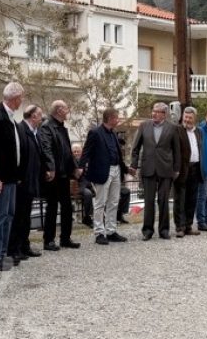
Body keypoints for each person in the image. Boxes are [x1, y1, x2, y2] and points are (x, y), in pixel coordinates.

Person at [0, 82, 27, 270]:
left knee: (9, 215)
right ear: (15, 98)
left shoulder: (10, 118)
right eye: (21, 98)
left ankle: (1, 253)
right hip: (2, 178)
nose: (22, 101)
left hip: (12, 177)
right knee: (0, 217)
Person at [130, 102, 182, 240]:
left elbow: (177, 151)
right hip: (148, 168)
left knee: (164, 201)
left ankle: (164, 230)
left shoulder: (172, 128)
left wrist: (176, 169)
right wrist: (134, 165)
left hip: (166, 169)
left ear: (164, 114)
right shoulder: (144, 126)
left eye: (157, 111)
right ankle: (147, 230)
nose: (154, 114)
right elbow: (135, 148)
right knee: (148, 201)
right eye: (153, 111)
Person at [79, 108, 131, 245]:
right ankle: (99, 233)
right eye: (117, 117)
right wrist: (80, 167)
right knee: (100, 203)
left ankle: (111, 231)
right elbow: (86, 151)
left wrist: (125, 169)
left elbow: (118, 155)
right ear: (110, 118)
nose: (118, 120)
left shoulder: (113, 133)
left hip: (116, 170)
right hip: (102, 171)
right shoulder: (95, 132)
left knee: (114, 202)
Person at [9, 103, 52, 265]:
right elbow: (17, 155)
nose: (41, 118)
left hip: (32, 180)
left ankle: (24, 245)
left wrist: (45, 170)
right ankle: (16, 248)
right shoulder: (20, 129)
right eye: (40, 115)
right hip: (22, 181)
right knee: (18, 217)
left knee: (25, 216)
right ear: (33, 116)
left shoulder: (35, 132)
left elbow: (38, 155)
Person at [42, 101, 79, 250]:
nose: (68, 110)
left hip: (64, 174)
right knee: (51, 206)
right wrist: (51, 168)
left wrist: (74, 168)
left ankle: (65, 238)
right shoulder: (47, 126)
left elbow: (68, 151)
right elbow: (47, 149)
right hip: (54, 174)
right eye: (65, 108)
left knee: (67, 207)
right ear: (58, 110)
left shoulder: (62, 128)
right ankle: (49, 240)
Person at [175, 106, 204, 235]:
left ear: (194, 119)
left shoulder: (198, 132)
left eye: (190, 117)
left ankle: (188, 225)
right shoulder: (177, 130)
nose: (187, 120)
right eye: (185, 117)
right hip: (181, 169)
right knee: (180, 200)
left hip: (195, 168)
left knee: (192, 199)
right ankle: (180, 227)